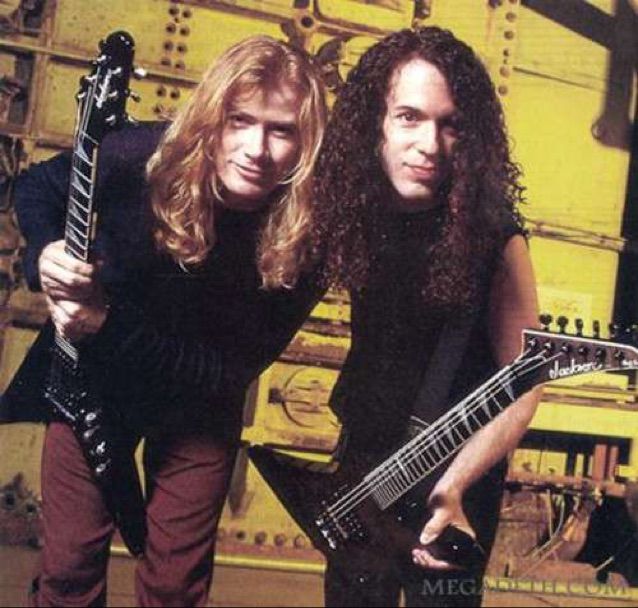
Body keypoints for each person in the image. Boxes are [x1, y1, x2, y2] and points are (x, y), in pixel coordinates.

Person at [4, 35, 326, 607]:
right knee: (69, 571)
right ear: (213, 117)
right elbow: (35, 187)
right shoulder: (144, 155)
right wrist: (45, 252)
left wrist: (105, 322)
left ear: (306, 142)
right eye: (240, 121)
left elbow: (225, 374)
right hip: (92, 383)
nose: (256, 149)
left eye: (281, 131)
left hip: (199, 403)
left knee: (175, 587)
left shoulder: (313, 239)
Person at [312, 26, 540, 607]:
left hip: (458, 475)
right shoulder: (353, 210)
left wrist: (455, 487)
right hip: (364, 465)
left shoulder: (494, 236)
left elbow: (524, 384)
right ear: (375, 123)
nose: (430, 144)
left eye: (451, 124)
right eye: (409, 117)